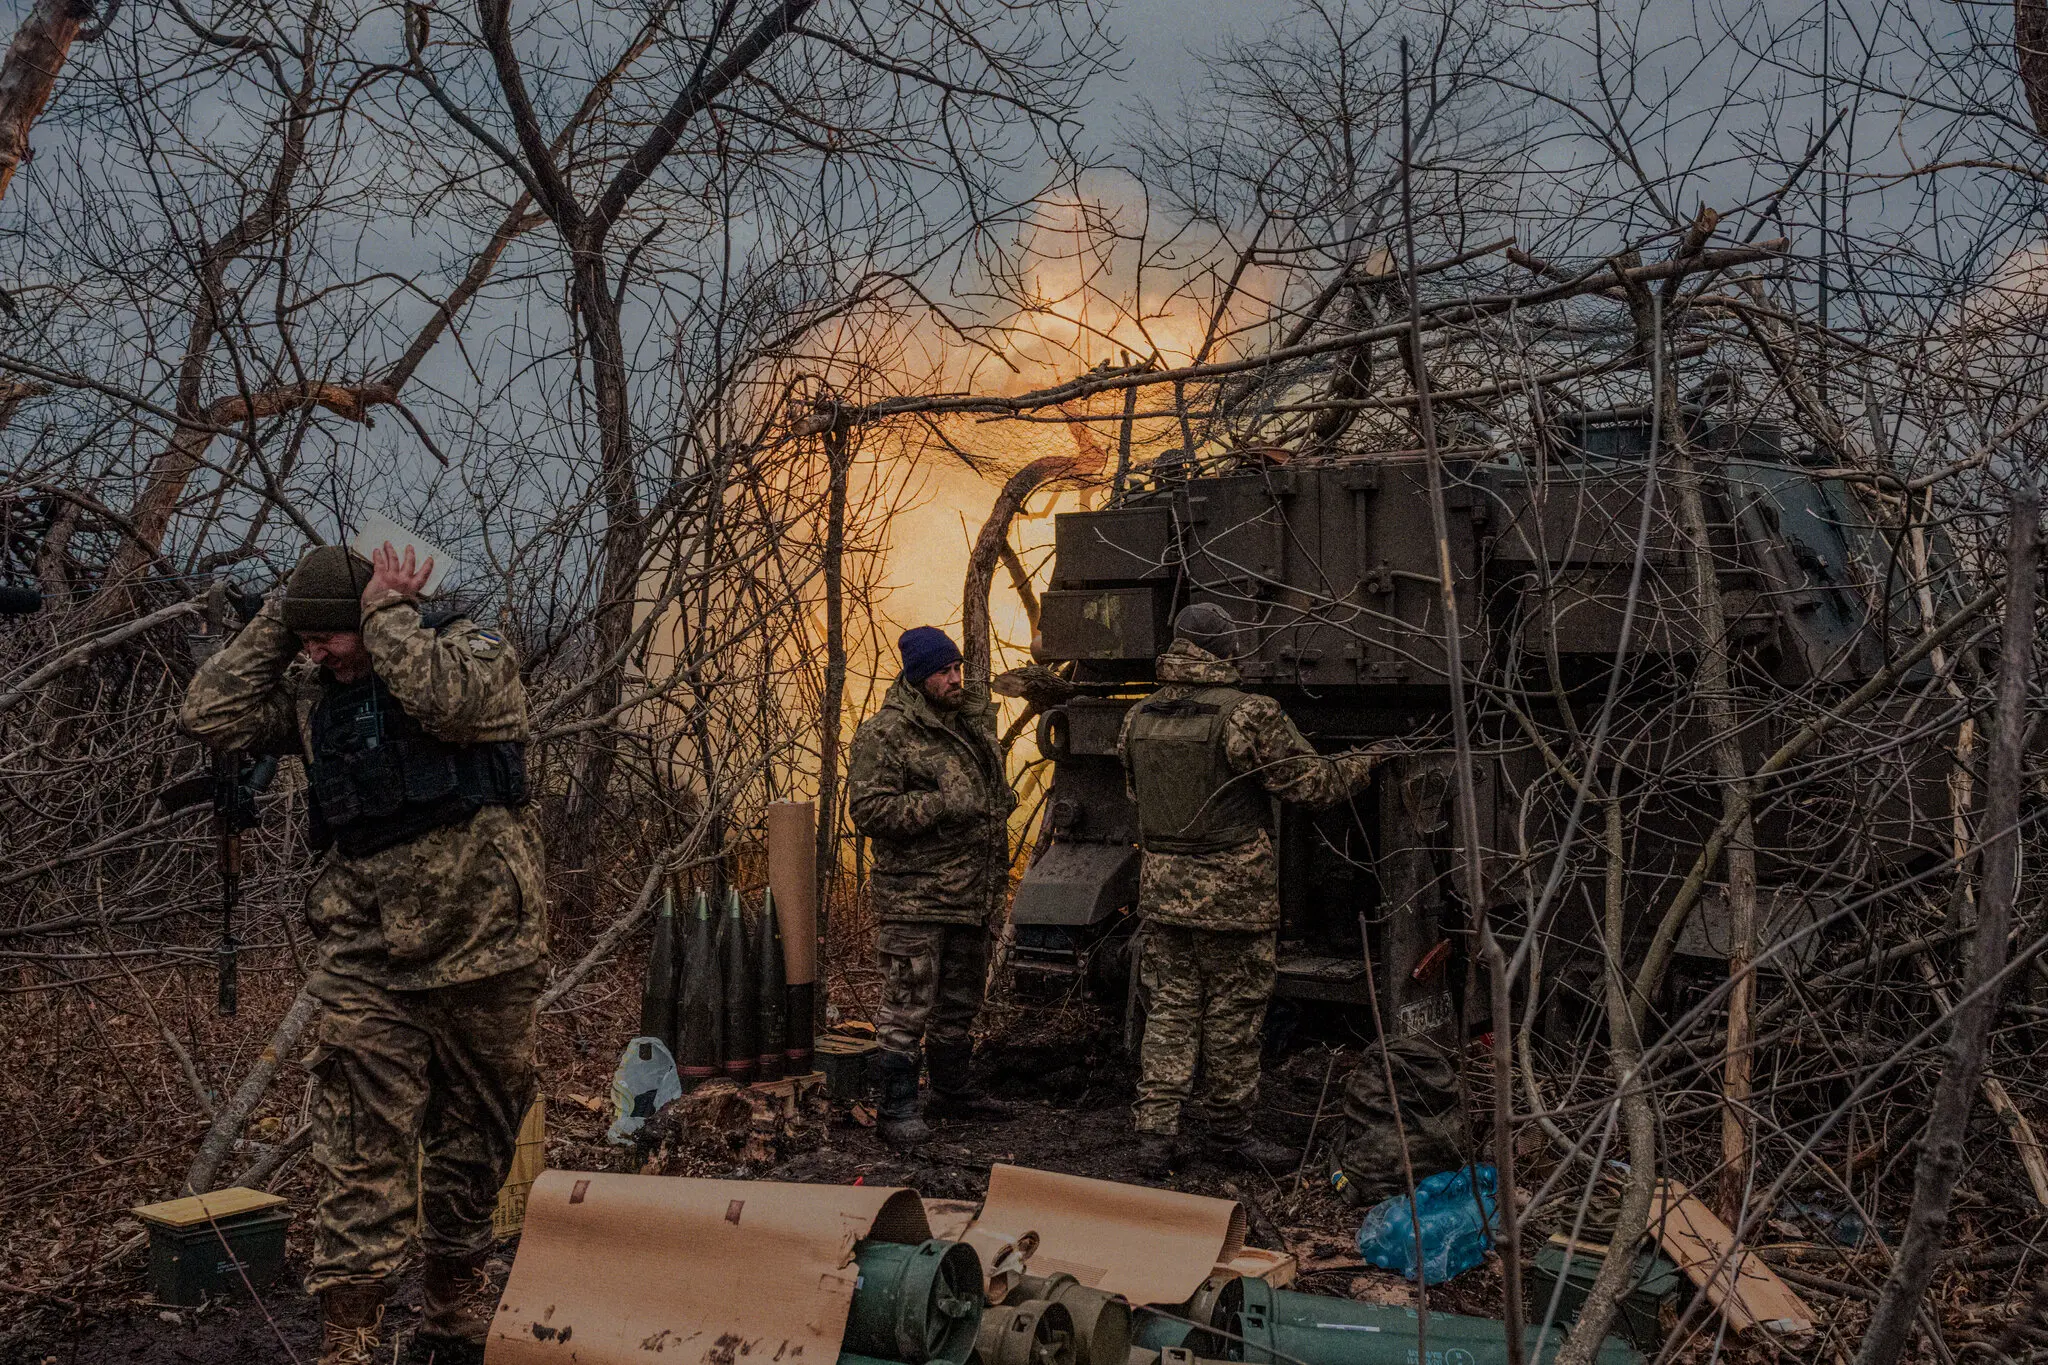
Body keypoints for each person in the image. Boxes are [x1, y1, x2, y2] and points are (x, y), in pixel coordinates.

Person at [180, 543, 545, 1365]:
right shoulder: (311, 697)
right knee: (358, 1155)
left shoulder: (471, 652)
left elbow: (446, 702)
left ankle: (451, 1316)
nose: (321, 653)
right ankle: (349, 1342)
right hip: (367, 959)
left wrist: (383, 616)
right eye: (310, 639)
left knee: (474, 1146)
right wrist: (283, 620)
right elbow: (208, 712)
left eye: (330, 636)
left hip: (485, 951)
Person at [1118, 603, 1386, 1177]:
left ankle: (1154, 1139)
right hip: (1233, 901)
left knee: (1169, 1010)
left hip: (1164, 893)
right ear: (1226, 648)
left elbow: (1139, 799)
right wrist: (1372, 757)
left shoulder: (1138, 716)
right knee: (1233, 1018)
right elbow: (1313, 786)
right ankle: (1229, 1137)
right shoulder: (1250, 714)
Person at [848, 626, 1019, 1146]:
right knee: (907, 1003)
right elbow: (868, 809)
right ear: (920, 676)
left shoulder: (966, 724)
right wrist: (941, 806)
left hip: (972, 894)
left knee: (960, 1001)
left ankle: (952, 1091)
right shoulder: (887, 733)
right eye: (945, 671)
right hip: (917, 897)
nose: (955, 678)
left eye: (957, 668)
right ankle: (896, 1109)